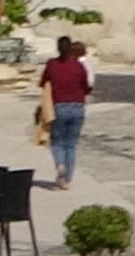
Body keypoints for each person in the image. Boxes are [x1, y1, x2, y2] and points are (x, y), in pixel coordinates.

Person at [39, 36, 93, 189]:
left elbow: (43, 83)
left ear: (58, 48)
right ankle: (67, 180)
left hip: (59, 106)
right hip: (77, 107)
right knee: (71, 144)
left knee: (57, 142)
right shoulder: (78, 66)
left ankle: (60, 165)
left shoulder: (52, 65)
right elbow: (87, 86)